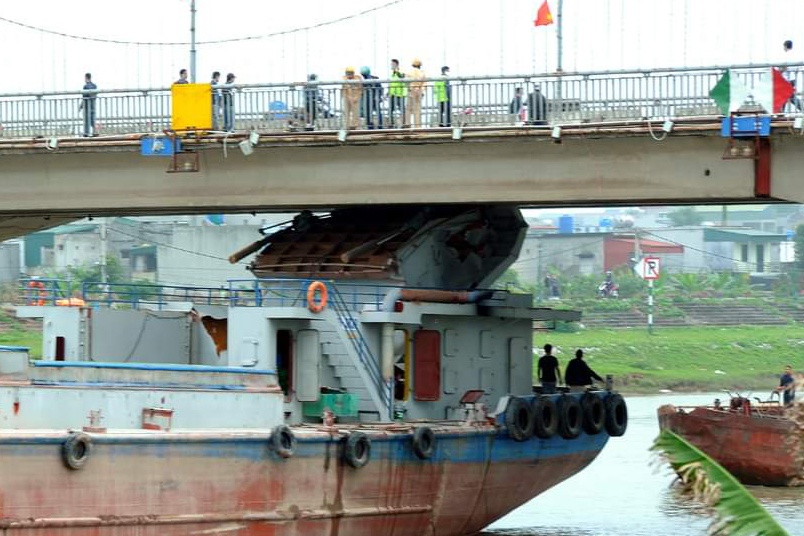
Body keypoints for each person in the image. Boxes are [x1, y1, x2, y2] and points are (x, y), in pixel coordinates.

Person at [781, 40, 802, 112]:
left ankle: (780, 112)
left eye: (783, 46)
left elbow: (784, 66)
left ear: (785, 46)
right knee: (786, 96)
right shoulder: (795, 55)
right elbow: (798, 68)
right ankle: (780, 112)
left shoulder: (786, 55)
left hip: (787, 79)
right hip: (793, 79)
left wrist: (779, 72)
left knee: (786, 96)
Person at [388, 59, 407, 128]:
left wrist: (397, 71)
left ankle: (403, 124)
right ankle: (391, 124)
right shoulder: (392, 74)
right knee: (390, 110)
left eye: (392, 64)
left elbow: (402, 77)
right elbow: (392, 84)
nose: (391, 65)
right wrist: (388, 92)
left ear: (396, 64)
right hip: (392, 94)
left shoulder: (400, 72)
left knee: (402, 110)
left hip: (400, 94)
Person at [407, 58, 426, 128]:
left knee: (408, 109)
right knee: (417, 110)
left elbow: (407, 82)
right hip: (419, 91)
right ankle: (417, 126)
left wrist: (410, 88)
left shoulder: (409, 72)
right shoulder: (422, 72)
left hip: (411, 91)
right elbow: (424, 83)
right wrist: (421, 90)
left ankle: (407, 124)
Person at [80, 72, 97, 137]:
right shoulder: (94, 86)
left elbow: (84, 97)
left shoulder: (85, 86)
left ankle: (86, 133)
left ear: (86, 78)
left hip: (87, 105)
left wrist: (81, 106)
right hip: (93, 104)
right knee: (92, 118)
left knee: (87, 119)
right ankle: (95, 132)